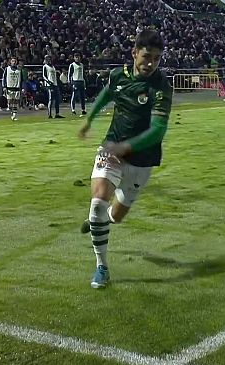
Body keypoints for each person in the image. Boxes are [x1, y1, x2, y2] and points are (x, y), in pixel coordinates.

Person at [77, 29, 173, 289]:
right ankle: (102, 267)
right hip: (112, 149)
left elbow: (158, 131)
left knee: (115, 216)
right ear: (134, 53)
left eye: (156, 58)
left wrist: (126, 147)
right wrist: (89, 119)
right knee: (98, 201)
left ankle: (101, 223)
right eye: (146, 57)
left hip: (142, 159)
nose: (151, 63)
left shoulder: (161, 86)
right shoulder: (118, 75)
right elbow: (108, 94)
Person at [2, 56, 23, 120]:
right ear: (10, 62)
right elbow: (4, 78)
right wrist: (4, 87)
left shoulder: (19, 70)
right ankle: (12, 112)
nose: (14, 62)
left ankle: (14, 115)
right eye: (13, 61)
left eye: (15, 61)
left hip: (16, 88)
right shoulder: (7, 69)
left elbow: (22, 79)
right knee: (10, 103)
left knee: (15, 102)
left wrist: (22, 88)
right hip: (9, 88)